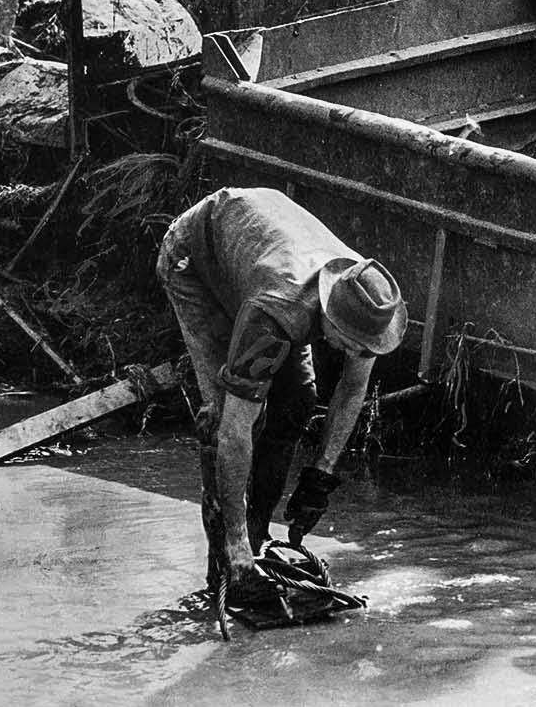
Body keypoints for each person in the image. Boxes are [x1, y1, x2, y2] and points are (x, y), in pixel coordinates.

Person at [157, 186, 407, 599]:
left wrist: (320, 476)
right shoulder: (278, 311)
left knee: (298, 402)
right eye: (346, 344)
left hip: (259, 255)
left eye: (362, 349)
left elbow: (351, 388)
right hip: (195, 261)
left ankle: (257, 539)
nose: (353, 354)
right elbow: (235, 430)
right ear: (327, 312)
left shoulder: (368, 306)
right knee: (223, 416)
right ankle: (228, 564)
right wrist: (235, 544)